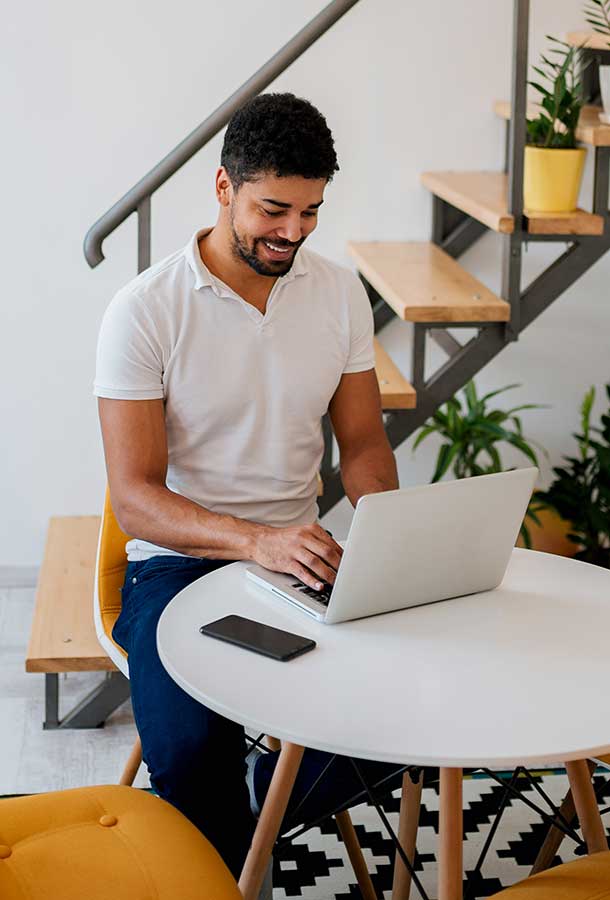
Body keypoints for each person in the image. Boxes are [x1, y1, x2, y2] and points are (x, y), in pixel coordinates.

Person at [94, 92, 406, 883]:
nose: (293, 233)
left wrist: (392, 539)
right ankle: (231, 851)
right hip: (175, 566)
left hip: (295, 566)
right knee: (194, 752)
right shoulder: (144, 312)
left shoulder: (336, 293)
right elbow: (135, 498)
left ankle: (258, 813)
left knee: (405, 719)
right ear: (225, 188)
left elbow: (364, 447)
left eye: (311, 212)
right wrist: (254, 539)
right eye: (275, 209)